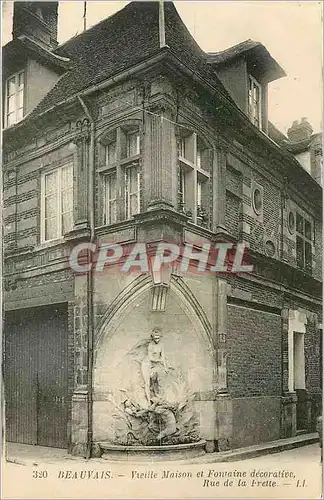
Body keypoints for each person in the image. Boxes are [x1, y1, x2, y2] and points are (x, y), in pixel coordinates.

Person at [141, 328, 168, 402]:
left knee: (156, 380)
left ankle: (156, 398)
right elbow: (150, 357)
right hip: (147, 364)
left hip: (155, 365)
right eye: (155, 338)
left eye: (158, 338)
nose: (157, 340)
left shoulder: (161, 345)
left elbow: (163, 357)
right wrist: (159, 361)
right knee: (147, 382)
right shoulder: (150, 345)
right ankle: (148, 401)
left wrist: (165, 367)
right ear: (153, 337)